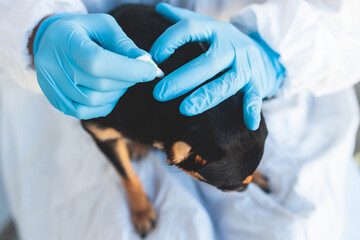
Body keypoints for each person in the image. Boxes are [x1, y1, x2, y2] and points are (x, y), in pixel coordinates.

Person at [0, 1, 360, 240]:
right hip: (80, 72)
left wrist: (276, 54)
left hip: (262, 71)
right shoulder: (116, 120)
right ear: (180, 156)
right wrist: (35, 30)